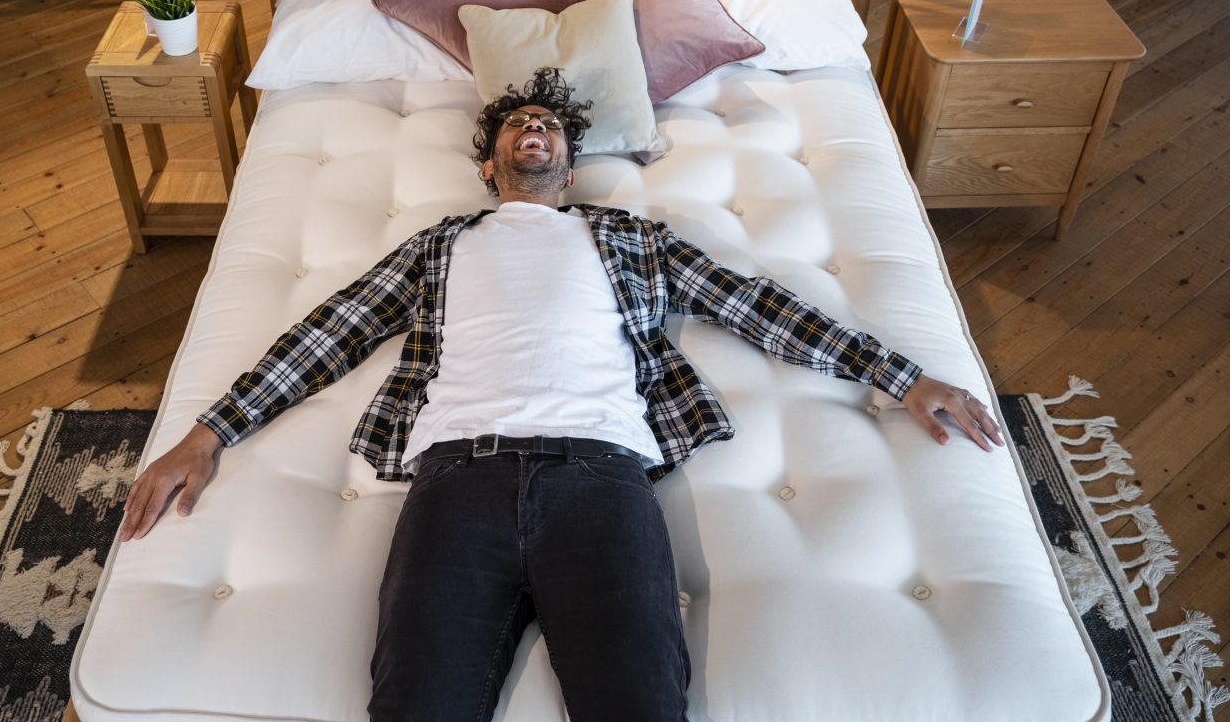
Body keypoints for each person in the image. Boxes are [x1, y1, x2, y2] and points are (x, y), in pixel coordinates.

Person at [118, 67, 1004, 722]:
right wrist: (211, 430)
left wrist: (899, 374)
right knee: (416, 707)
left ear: (570, 167)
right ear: (493, 165)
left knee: (641, 707)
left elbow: (758, 306)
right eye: (517, 125)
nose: (533, 129)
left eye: (549, 124)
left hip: (603, 480)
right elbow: (335, 327)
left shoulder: (630, 238)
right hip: (455, 482)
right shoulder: (439, 244)